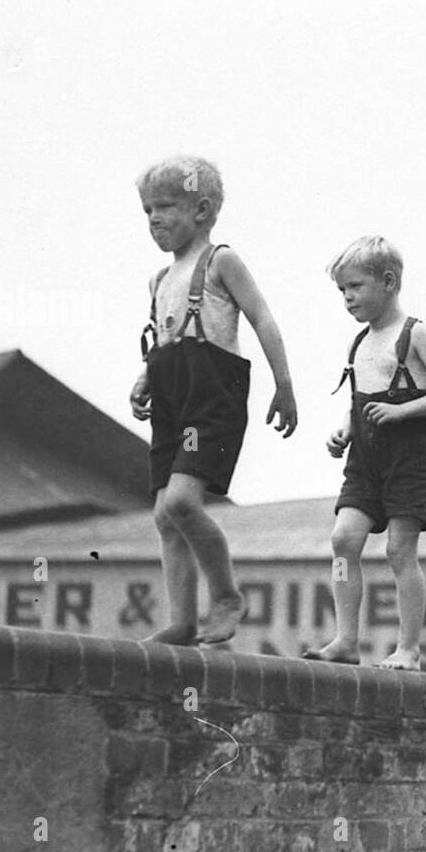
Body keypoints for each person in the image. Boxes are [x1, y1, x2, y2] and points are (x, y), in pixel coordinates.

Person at [129, 156, 297, 646]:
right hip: (171, 396)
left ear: (201, 211)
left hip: (211, 396)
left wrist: (283, 385)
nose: (154, 219)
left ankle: (225, 595)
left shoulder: (221, 261)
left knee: (182, 501)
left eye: (164, 207)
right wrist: (145, 377)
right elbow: (166, 340)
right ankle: (182, 620)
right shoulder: (159, 281)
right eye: (146, 211)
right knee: (164, 514)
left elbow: (264, 320)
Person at [306, 236, 426, 670]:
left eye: (354, 287)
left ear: (389, 282)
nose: (347, 298)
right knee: (343, 541)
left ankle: (409, 648)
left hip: (408, 459)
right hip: (365, 461)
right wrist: (343, 430)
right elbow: (358, 398)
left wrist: (402, 412)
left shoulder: (415, 334)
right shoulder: (358, 343)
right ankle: (345, 639)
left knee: (400, 550)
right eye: (342, 290)